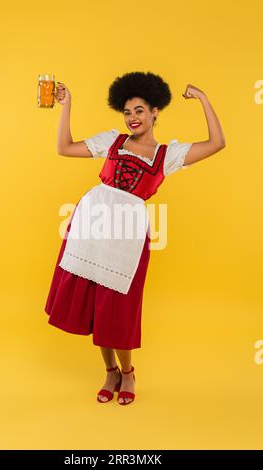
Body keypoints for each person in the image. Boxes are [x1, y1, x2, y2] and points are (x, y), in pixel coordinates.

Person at [44, 71, 226, 405]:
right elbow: (64, 148)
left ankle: (127, 373)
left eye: (140, 110)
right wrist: (66, 106)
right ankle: (110, 370)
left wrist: (202, 98)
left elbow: (217, 143)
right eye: (128, 112)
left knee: (120, 306)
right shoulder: (112, 141)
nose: (133, 118)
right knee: (98, 302)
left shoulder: (167, 155)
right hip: (93, 222)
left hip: (128, 233)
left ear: (155, 112)